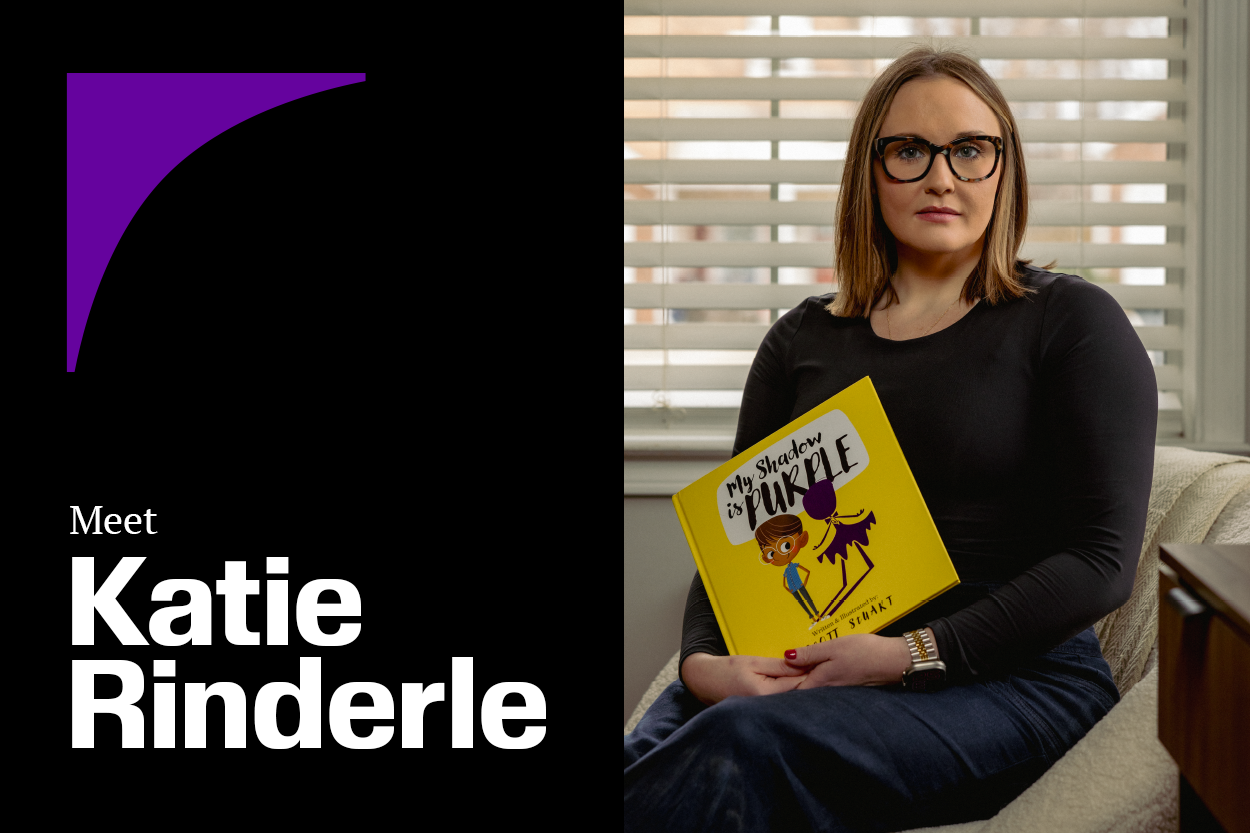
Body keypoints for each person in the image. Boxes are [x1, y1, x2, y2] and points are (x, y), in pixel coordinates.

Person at [624, 46, 1157, 832]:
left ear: (1003, 169)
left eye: (970, 150)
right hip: (821, 666)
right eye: (909, 151)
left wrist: (912, 652)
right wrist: (706, 667)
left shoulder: (1072, 322)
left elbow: (1102, 561)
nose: (942, 177)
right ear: (869, 172)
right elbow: (732, 545)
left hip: (1015, 684)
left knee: (738, 744)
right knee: (684, 737)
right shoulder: (799, 341)